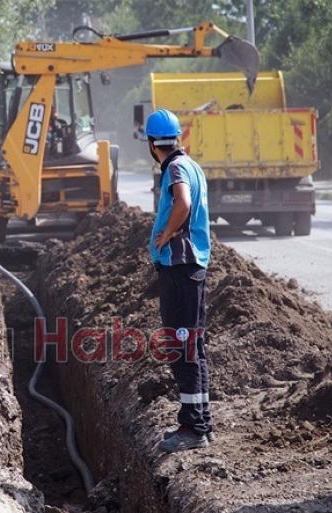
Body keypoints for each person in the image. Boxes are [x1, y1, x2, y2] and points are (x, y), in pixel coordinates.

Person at [146, 109, 213, 453]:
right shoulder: (192, 164)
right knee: (192, 346)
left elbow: (183, 203)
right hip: (191, 267)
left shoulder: (174, 168)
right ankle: (200, 419)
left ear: (151, 143)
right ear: (176, 138)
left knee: (182, 346)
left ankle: (193, 428)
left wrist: (166, 233)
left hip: (181, 267)